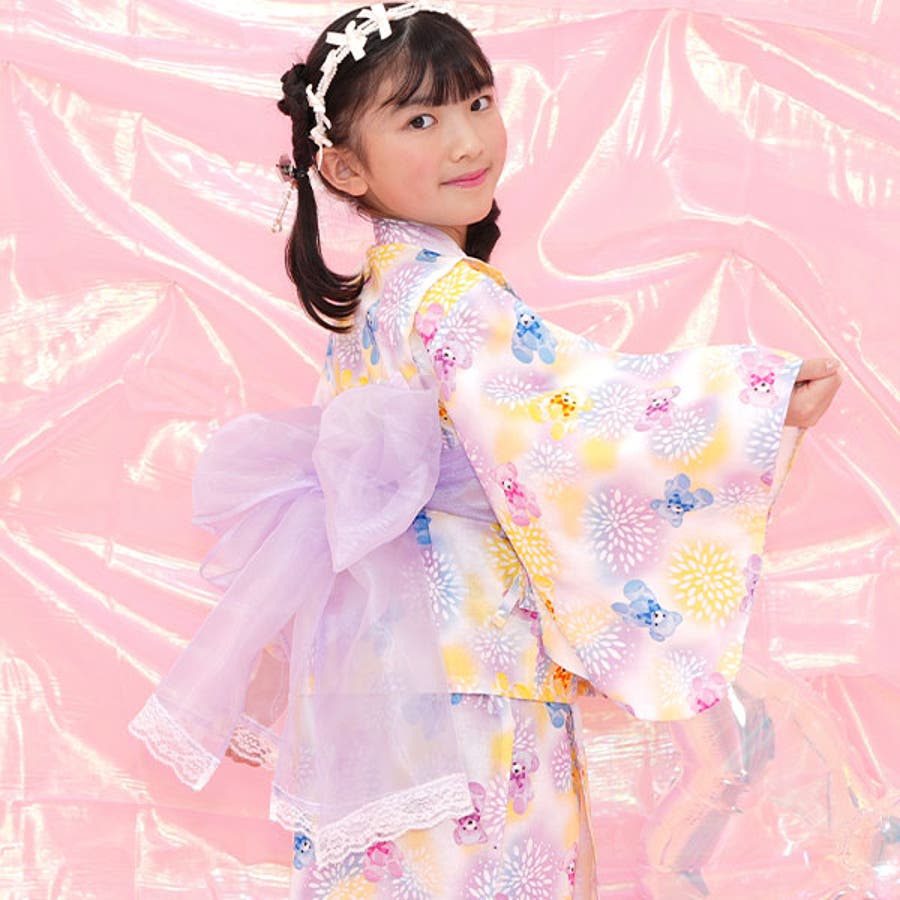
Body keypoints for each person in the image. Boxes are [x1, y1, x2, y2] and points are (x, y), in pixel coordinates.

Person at [128, 3, 842, 897]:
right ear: (344, 165)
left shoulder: (377, 294)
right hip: (473, 665)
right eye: (420, 119)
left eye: (477, 103)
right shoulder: (449, 296)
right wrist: (755, 403)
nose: (467, 140)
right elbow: (581, 418)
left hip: (384, 661)